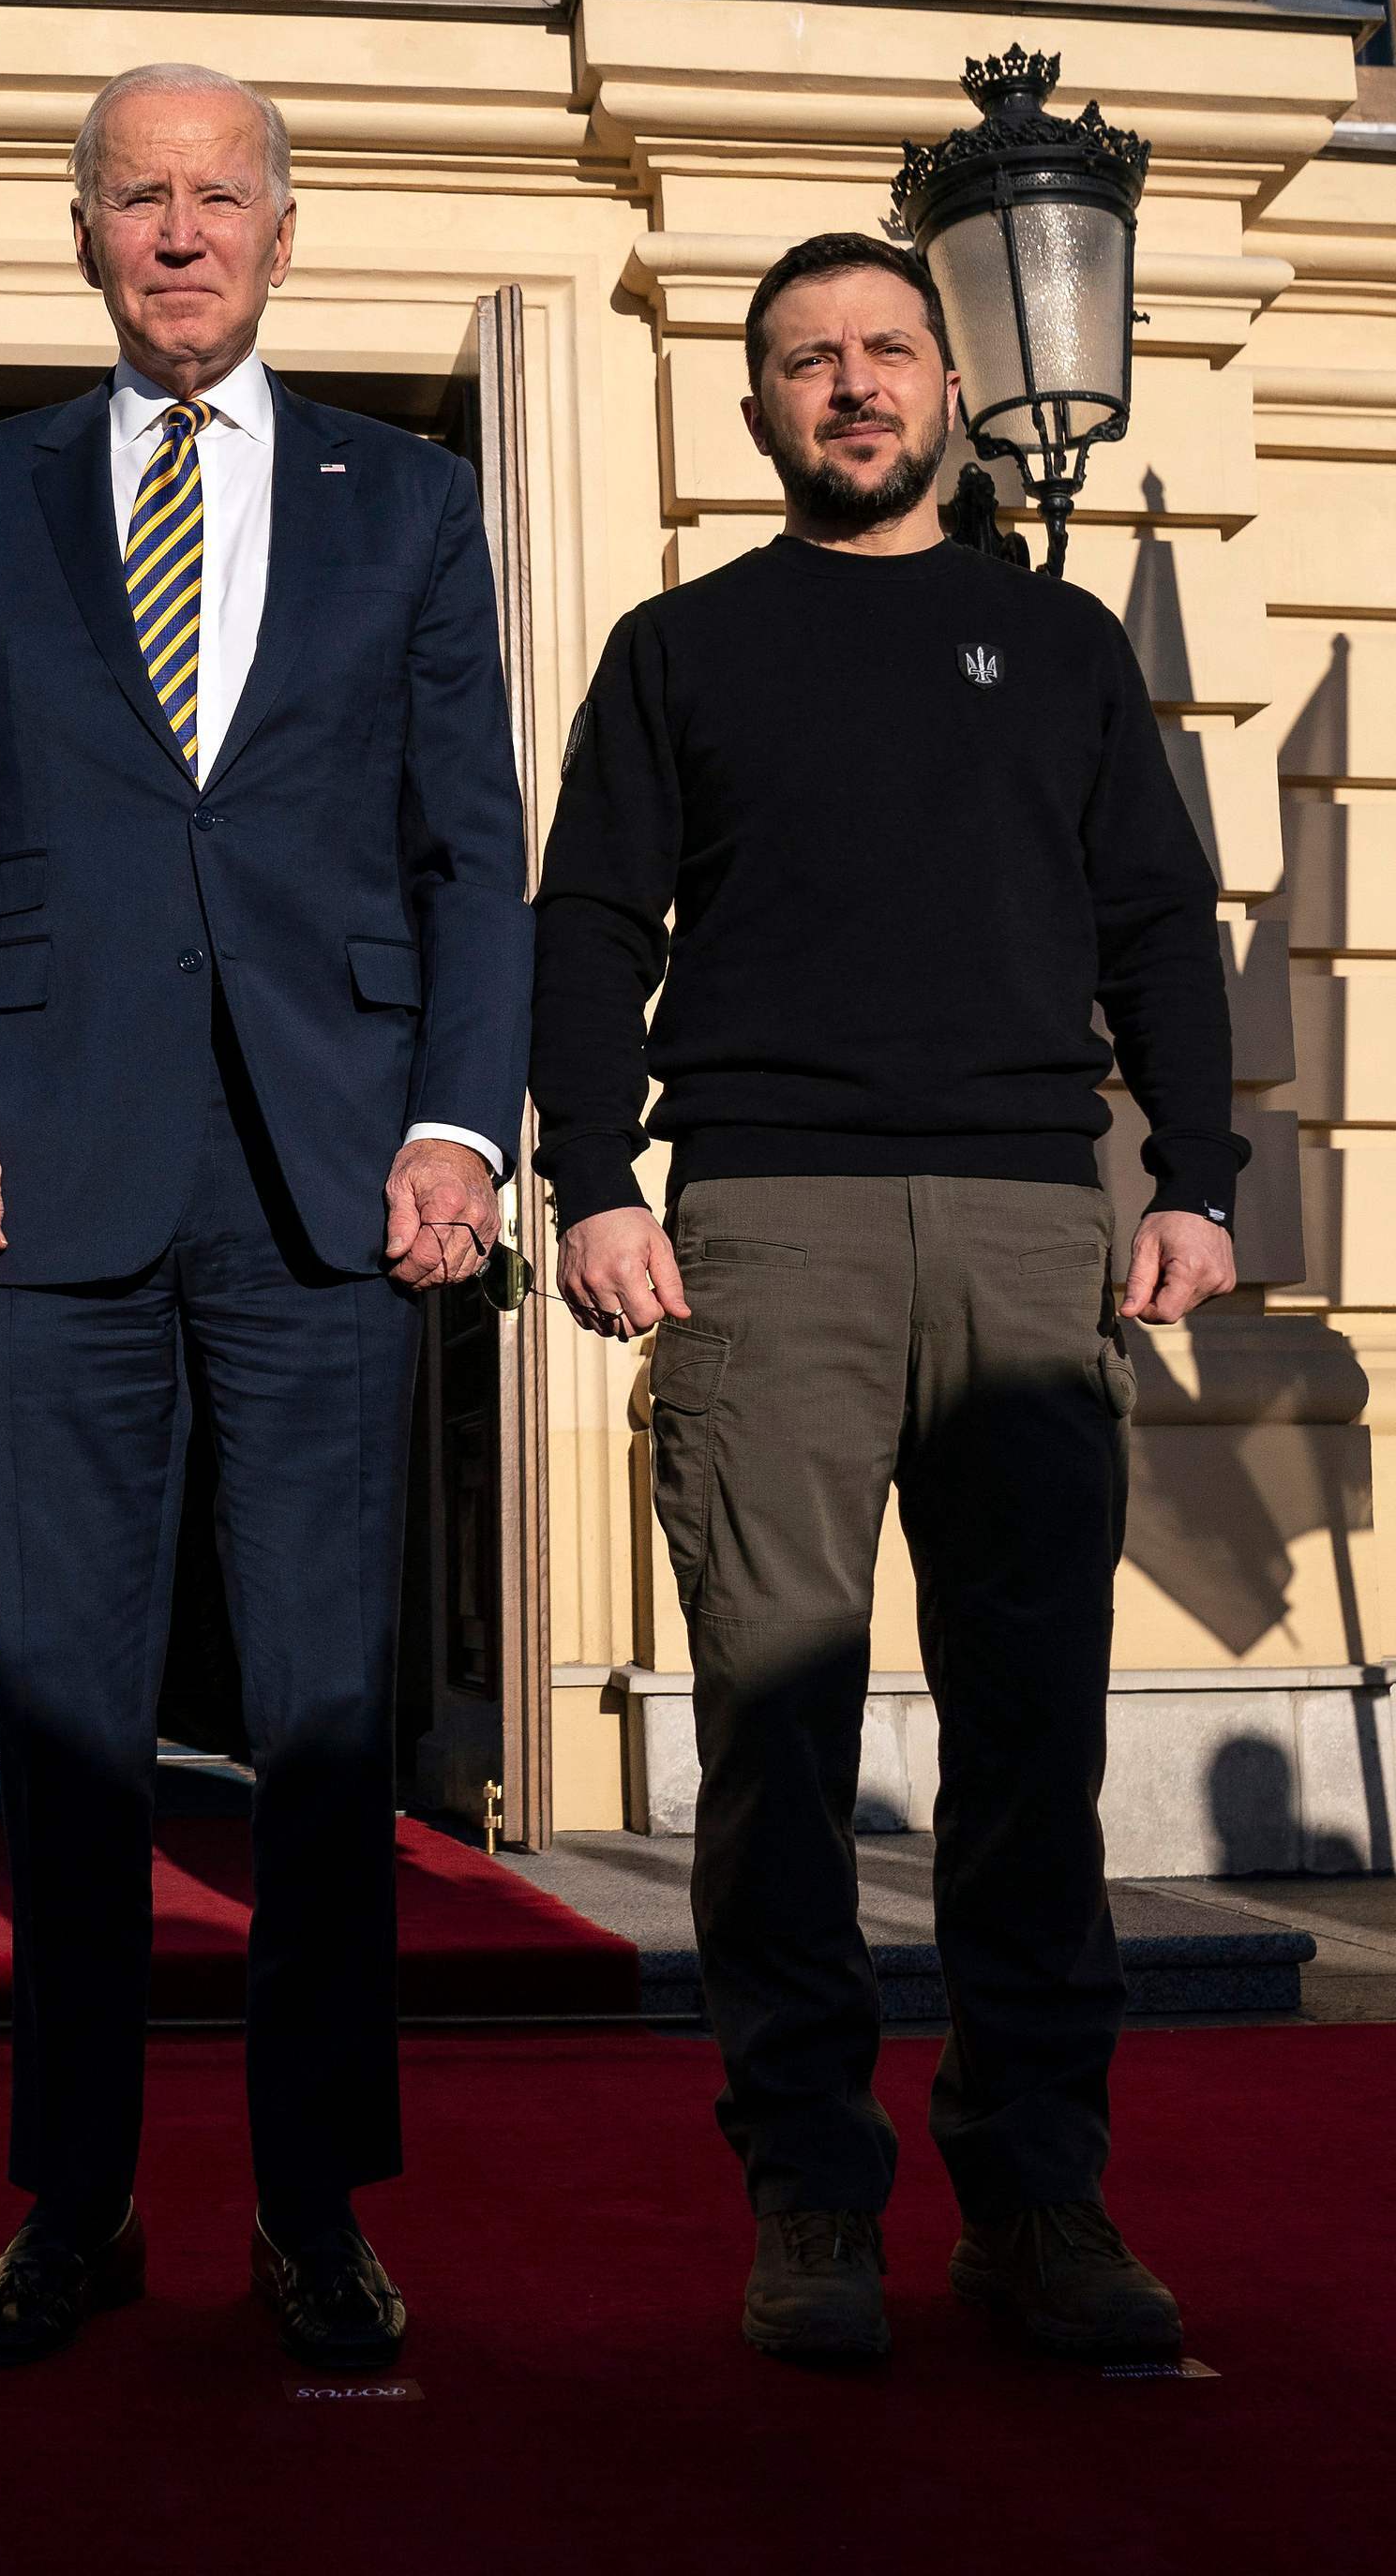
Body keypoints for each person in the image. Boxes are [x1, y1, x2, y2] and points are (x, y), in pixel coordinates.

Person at [0, 64, 529, 2373]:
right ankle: (78, 2201)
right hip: (47, 1178)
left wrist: (462, 1125)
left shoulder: (408, 500)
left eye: (217, 193)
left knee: (326, 1724)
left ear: (283, 228)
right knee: (63, 1721)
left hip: (337, 1182)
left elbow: (466, 856)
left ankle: (316, 2208)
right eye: (137, 195)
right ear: (85, 233)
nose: (178, 230)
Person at [531, 229, 1243, 2374]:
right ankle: (813, 2201)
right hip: (764, 1228)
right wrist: (584, 1177)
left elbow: (1158, 922)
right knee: (773, 1736)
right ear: (753, 409)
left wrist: (1194, 1182)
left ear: (941, 380)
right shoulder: (678, 649)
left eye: (882, 349)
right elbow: (584, 923)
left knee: (1031, 1749)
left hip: (1037, 1229)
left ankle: (1037, 2195)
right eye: (804, 359)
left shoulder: (1058, 645)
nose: (848, 384)